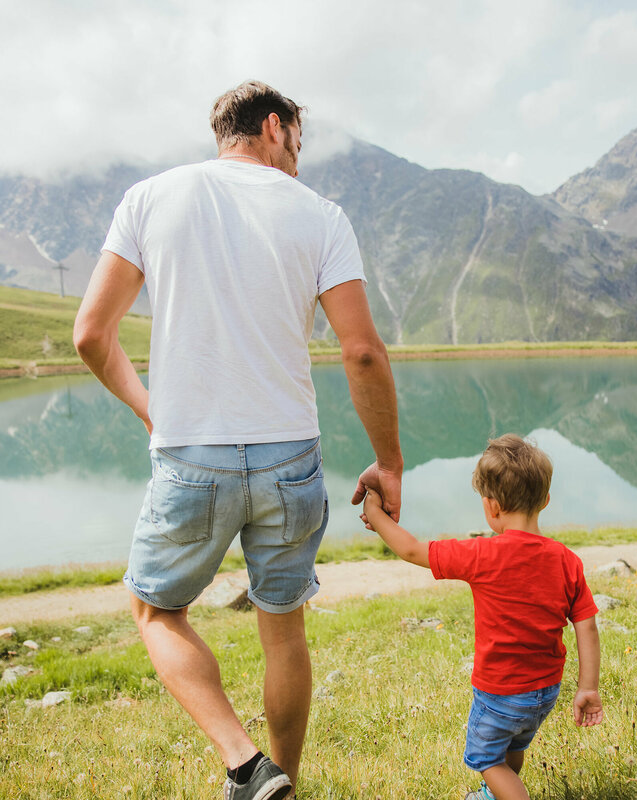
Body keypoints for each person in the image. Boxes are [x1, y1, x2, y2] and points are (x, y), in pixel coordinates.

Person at [73, 80, 403, 800]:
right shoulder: (321, 216)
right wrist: (389, 461)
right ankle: (278, 779)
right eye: (298, 147)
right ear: (275, 127)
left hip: (191, 457)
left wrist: (150, 409)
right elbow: (363, 352)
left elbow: (91, 335)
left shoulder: (150, 198)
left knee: (157, 611)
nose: (298, 164)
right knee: (282, 629)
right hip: (291, 457)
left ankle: (247, 765)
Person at [360, 434, 602, 800]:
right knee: (512, 746)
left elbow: (411, 550)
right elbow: (586, 624)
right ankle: (497, 793)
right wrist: (587, 687)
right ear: (546, 501)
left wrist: (376, 513)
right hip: (545, 691)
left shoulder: (482, 555)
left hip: (500, 692)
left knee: (487, 758)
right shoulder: (567, 560)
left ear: (491, 508)